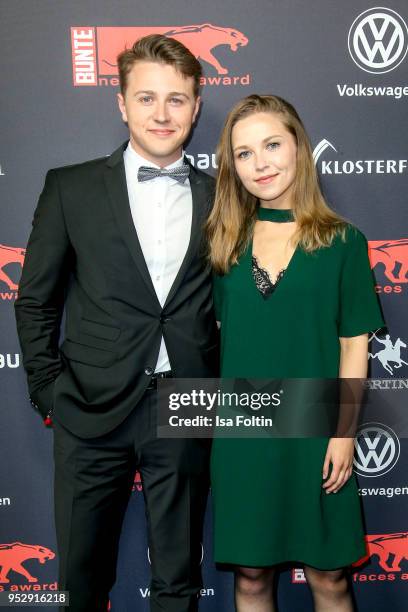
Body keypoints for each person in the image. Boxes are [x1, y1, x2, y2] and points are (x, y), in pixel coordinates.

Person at [15, 34, 218, 612]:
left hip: (187, 403)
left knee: (178, 580)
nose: (162, 113)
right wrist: (48, 389)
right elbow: (35, 301)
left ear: (197, 106)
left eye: (176, 99)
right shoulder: (70, 187)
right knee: (82, 579)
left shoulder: (224, 196)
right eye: (147, 98)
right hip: (88, 406)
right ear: (122, 104)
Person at [207, 95, 384, 612]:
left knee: (329, 578)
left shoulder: (344, 241)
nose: (260, 163)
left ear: (299, 148)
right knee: (252, 576)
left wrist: (343, 433)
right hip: (243, 432)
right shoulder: (223, 243)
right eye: (243, 153)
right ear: (232, 167)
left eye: (271, 145)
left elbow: (354, 347)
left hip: (316, 430)